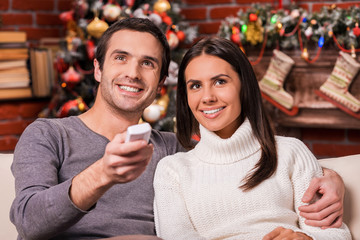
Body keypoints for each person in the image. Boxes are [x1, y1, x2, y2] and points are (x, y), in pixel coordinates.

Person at [10, 18, 343, 240]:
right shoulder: (48, 135)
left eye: (148, 63)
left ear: (160, 85)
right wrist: (102, 174)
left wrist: (331, 178)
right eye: (121, 58)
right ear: (97, 69)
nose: (133, 73)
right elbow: (28, 222)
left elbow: (230, 161)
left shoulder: (170, 151)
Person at [153, 37, 351, 239]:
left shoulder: (291, 152)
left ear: (244, 86)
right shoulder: (173, 171)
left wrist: (308, 239)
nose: (207, 97)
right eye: (195, 86)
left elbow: (335, 234)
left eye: (220, 81)